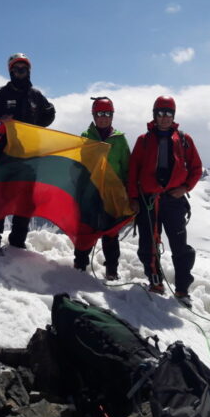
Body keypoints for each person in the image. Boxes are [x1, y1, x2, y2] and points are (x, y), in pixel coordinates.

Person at [127, 96, 202, 305]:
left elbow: (196, 168)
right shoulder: (143, 140)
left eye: (168, 113)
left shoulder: (184, 139)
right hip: (148, 201)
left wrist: (185, 188)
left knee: (180, 247)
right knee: (148, 244)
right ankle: (155, 282)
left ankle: (182, 289)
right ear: (154, 115)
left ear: (173, 115)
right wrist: (133, 198)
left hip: (173, 200)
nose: (164, 117)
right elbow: (133, 171)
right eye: (160, 113)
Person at [0, 53, 56, 253]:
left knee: (25, 201)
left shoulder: (35, 95)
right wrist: (1, 122)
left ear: (29, 71)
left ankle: (17, 243)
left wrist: (36, 126)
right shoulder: (1, 93)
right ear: (11, 71)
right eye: (16, 69)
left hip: (28, 158)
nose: (20, 72)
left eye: (23, 69)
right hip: (3, 157)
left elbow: (50, 112)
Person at [73, 96, 130, 280]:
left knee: (111, 231)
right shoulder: (86, 137)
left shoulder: (119, 140)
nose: (103, 117)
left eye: (107, 114)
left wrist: (127, 192)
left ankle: (111, 270)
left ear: (112, 116)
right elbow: (78, 164)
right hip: (90, 191)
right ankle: (80, 263)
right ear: (94, 115)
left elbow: (127, 167)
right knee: (86, 228)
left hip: (112, 193)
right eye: (99, 114)